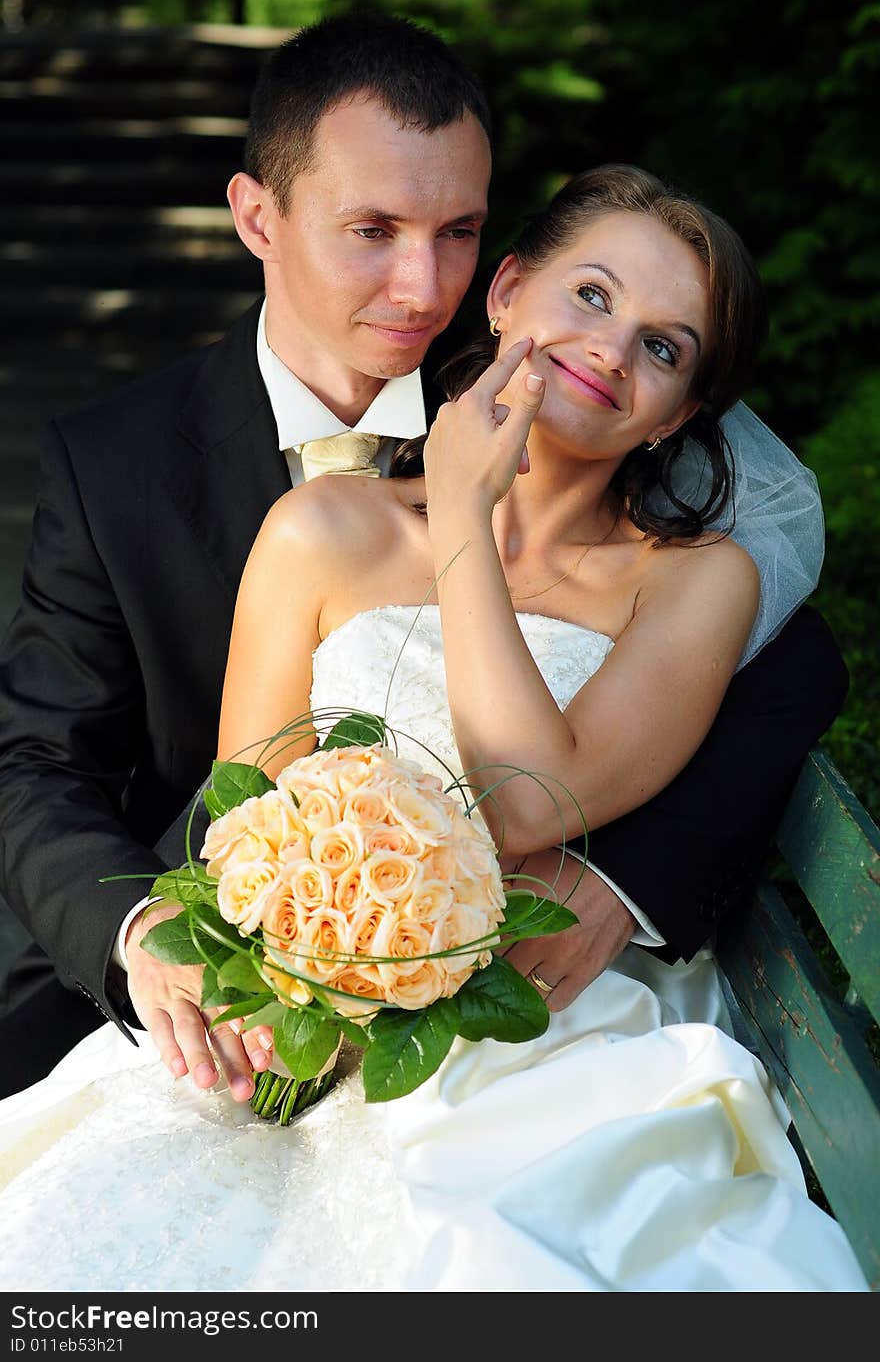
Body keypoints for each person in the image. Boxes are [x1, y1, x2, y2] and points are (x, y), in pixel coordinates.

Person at [0, 164, 866, 1293]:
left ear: (684, 416)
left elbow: (523, 800)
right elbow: (243, 825)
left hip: (538, 1037)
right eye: (591, 297)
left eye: (665, 349)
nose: (611, 349)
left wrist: (461, 507)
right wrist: (288, 992)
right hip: (294, 1024)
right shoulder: (319, 529)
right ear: (505, 292)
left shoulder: (695, 585)